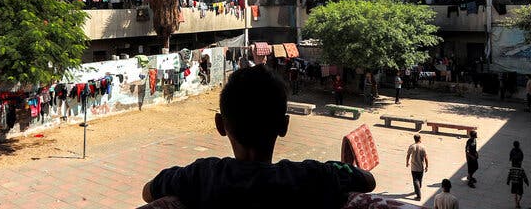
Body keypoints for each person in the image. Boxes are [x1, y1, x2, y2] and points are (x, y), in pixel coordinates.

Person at [141, 65, 376, 208]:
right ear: (284, 126)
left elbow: (148, 191)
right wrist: (338, 168)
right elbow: (367, 181)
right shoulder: (311, 177)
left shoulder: (201, 175)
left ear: (220, 125)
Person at [406, 134, 428, 201]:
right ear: (420, 138)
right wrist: (427, 166)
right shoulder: (423, 147)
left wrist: (407, 162)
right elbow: (426, 157)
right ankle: (418, 190)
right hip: (421, 167)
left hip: (414, 167)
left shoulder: (412, 146)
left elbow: (408, 155)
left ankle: (418, 195)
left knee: (415, 180)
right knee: (420, 179)